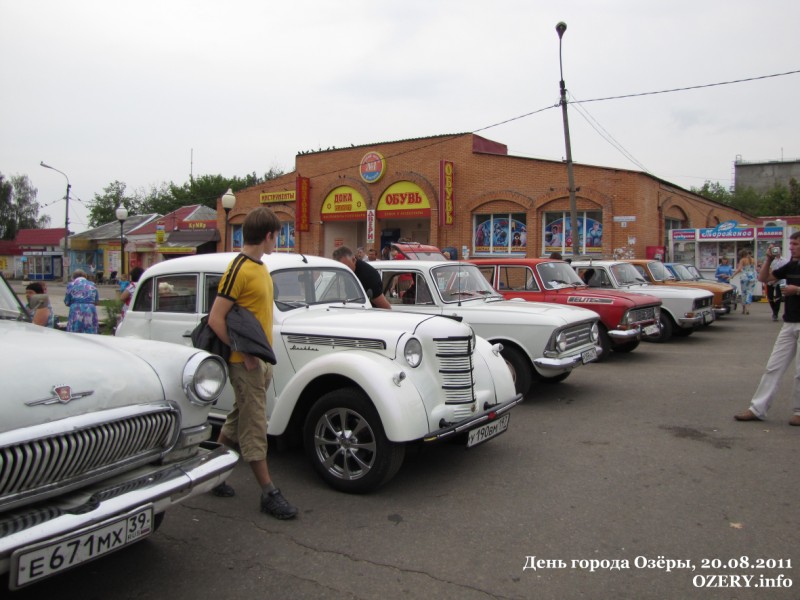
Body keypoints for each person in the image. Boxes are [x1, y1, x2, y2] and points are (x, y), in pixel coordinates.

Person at [208, 207, 297, 519]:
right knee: (255, 426)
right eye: (279, 234)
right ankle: (269, 492)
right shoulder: (240, 268)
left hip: (259, 363)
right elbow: (215, 318)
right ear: (269, 235)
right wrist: (244, 354)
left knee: (236, 419)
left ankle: (212, 474)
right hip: (244, 364)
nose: (280, 240)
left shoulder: (259, 267)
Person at [734, 231, 800, 426]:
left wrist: (797, 290)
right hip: (789, 322)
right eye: (791, 244)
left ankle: (798, 411)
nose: (792, 247)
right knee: (773, 366)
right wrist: (769, 259)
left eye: (795, 244)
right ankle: (757, 408)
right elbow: (765, 278)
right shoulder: (792, 265)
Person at [333, 245, 392, 309]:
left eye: (346, 267)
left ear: (353, 260)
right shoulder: (347, 272)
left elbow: (384, 306)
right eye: (341, 268)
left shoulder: (368, 275)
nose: (344, 271)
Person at [64, 269, 100, 334]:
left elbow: (67, 301)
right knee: (90, 329)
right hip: (90, 308)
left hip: (76, 308)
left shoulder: (71, 284)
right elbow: (96, 301)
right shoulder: (92, 284)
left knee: (75, 330)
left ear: (73, 277)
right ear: (85, 276)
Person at [764, 247, 789, 321]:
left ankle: (775, 314)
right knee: (770, 297)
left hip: (780, 281)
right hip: (770, 281)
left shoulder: (784, 260)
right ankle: (774, 310)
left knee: (778, 297)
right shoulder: (771, 261)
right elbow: (768, 270)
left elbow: (784, 272)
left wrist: (775, 280)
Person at [732, 249, 757, 314]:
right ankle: (748, 308)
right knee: (750, 293)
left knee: (743, 293)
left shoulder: (742, 260)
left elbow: (739, 269)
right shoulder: (753, 260)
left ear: (742, 255)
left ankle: (743, 309)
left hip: (744, 277)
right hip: (752, 277)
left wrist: (732, 276)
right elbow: (756, 269)